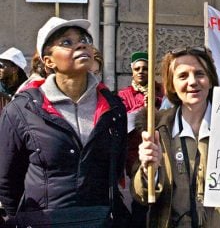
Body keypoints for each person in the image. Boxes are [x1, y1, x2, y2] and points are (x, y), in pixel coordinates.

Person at [0, 17, 129, 224]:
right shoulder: (21, 110)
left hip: (100, 219)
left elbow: (116, 168)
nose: (82, 44)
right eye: (67, 42)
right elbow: (7, 181)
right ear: (48, 61)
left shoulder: (114, 108)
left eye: (85, 39)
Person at [130, 46, 220, 227]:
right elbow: (140, 195)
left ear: (211, 79)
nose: (192, 82)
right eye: (183, 76)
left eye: (199, 74)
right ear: (171, 85)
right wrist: (149, 170)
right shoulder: (156, 129)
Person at [118, 51, 165, 226]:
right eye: (137, 68)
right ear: (132, 71)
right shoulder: (124, 95)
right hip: (134, 152)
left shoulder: (161, 91)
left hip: (160, 150)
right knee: (139, 194)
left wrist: (155, 106)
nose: (141, 72)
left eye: (145, 68)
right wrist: (142, 109)